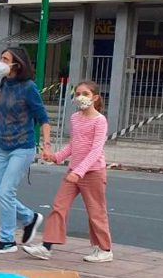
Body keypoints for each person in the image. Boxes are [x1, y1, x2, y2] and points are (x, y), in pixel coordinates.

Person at [22, 81, 113, 263]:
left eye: (85, 94)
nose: (81, 97)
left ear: (95, 97)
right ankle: (46, 247)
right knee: (59, 206)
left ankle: (104, 249)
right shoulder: (75, 118)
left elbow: (95, 150)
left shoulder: (100, 121)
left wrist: (79, 172)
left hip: (92, 172)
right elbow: (74, 145)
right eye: (78, 93)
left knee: (96, 211)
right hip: (74, 171)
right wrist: (56, 157)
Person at [0, 47, 52, 254]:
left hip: (22, 147)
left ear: (17, 64)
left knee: (7, 192)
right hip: (2, 146)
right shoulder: (5, 83)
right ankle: (29, 218)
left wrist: (46, 145)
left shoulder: (28, 87)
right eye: (1, 58)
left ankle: (7, 240)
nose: (1, 62)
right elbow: (4, 111)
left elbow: (43, 118)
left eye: (5, 59)